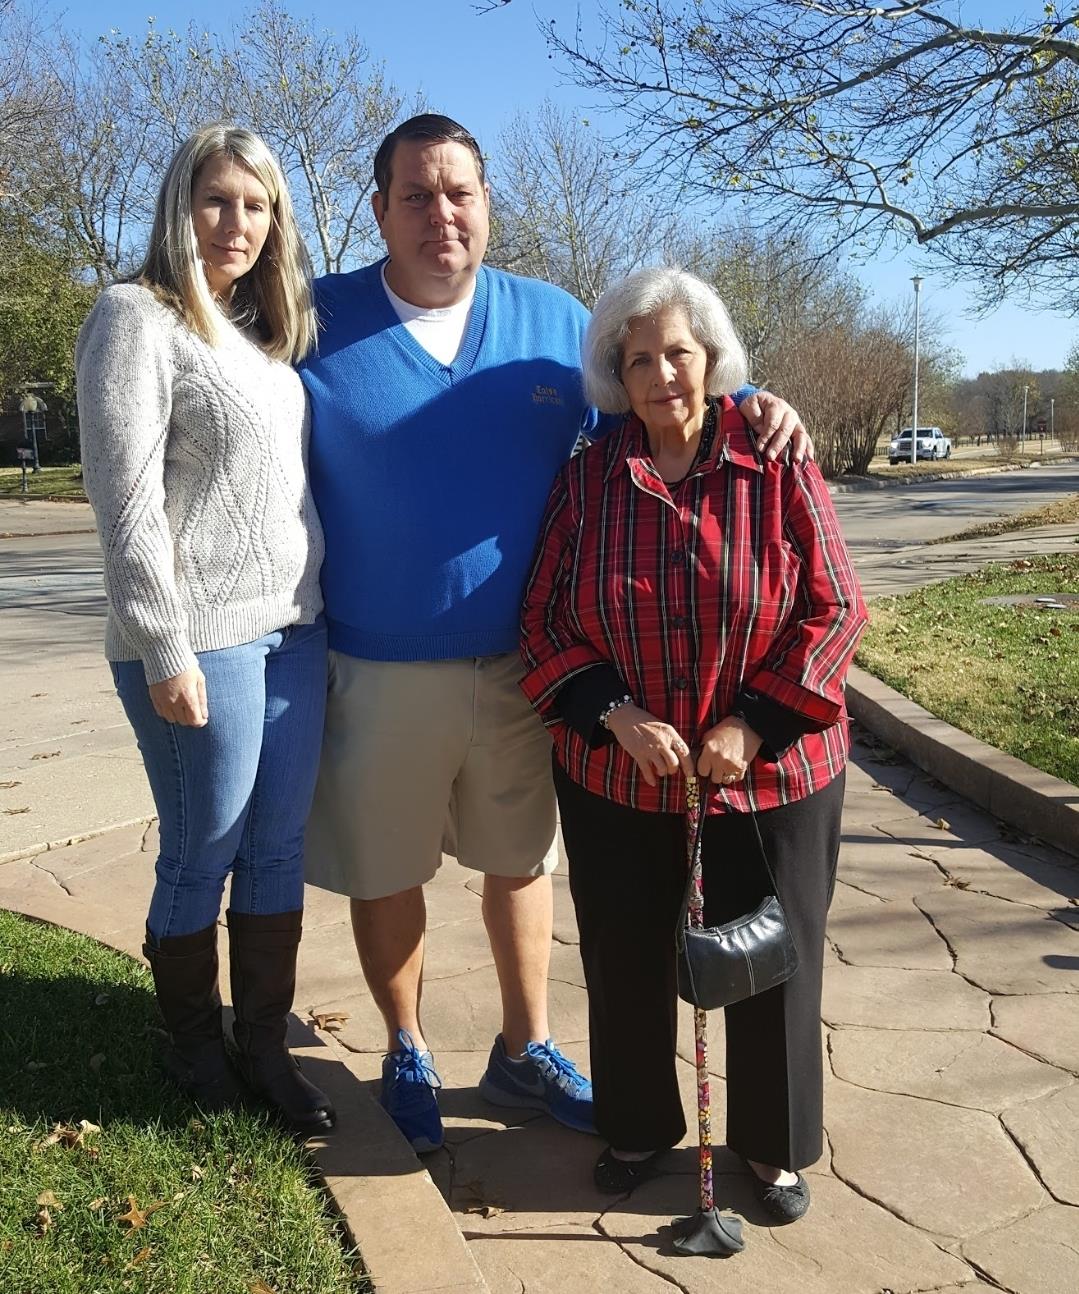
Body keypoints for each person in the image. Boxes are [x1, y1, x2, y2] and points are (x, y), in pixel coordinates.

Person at [299, 113, 810, 1155]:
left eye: (459, 192)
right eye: (415, 194)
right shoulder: (312, 320)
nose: (440, 213)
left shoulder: (548, 320)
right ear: (379, 208)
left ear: (486, 202)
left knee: (519, 863)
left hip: (530, 669)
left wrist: (756, 400)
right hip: (380, 663)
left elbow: (656, 383)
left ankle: (523, 1046)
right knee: (387, 871)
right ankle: (407, 1048)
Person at [520, 266, 866, 1220]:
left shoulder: (775, 459)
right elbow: (541, 621)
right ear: (616, 374)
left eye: (677, 352)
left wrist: (753, 722)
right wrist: (613, 714)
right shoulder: (588, 478)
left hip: (771, 774)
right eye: (639, 359)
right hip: (620, 774)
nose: (661, 374)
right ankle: (635, 1124)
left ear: (711, 361)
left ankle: (770, 1143)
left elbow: (836, 609)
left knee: (771, 958)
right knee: (623, 956)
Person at [75, 124, 334, 1132]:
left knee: (274, 848)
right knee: (202, 849)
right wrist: (163, 644)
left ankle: (263, 1048)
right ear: (179, 205)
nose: (236, 222)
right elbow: (125, 501)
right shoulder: (136, 317)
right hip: (201, 641)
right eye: (217, 199)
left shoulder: (265, 344)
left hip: (294, 636)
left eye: (257, 205)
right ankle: (192, 1052)